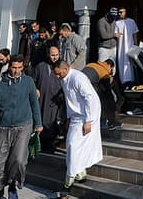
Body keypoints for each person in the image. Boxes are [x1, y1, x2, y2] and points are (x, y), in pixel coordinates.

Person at [0, 55, 42, 199]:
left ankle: (12, 185)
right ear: (9, 67)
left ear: (23, 67)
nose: (16, 71)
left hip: (24, 126)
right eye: (14, 67)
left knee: (19, 160)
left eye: (19, 68)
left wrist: (38, 123)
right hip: (3, 127)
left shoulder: (28, 82)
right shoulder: (0, 86)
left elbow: (34, 104)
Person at [54, 59, 103, 190]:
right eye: (56, 74)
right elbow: (70, 100)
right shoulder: (64, 79)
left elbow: (89, 98)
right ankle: (80, 173)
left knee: (73, 144)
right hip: (76, 115)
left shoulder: (78, 78)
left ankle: (70, 178)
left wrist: (88, 120)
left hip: (87, 113)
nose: (57, 77)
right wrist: (69, 118)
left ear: (66, 69)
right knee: (72, 144)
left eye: (59, 74)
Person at [32, 45, 64, 153]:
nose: (55, 57)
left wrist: (62, 94)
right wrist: (35, 89)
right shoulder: (41, 66)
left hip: (55, 100)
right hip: (42, 99)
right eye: (52, 55)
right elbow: (33, 80)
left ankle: (50, 144)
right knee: (41, 120)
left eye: (57, 55)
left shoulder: (62, 66)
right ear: (48, 55)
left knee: (52, 122)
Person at [81, 59, 122, 130]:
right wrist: (114, 108)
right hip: (88, 84)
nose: (111, 72)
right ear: (110, 66)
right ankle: (111, 123)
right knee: (106, 98)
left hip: (78, 82)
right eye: (112, 69)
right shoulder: (104, 72)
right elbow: (108, 94)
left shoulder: (92, 64)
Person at [113, 7, 139, 85]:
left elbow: (135, 33)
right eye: (119, 12)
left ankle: (131, 81)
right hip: (121, 48)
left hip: (130, 46)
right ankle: (123, 82)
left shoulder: (131, 21)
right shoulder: (117, 23)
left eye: (121, 12)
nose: (119, 14)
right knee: (121, 63)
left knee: (130, 64)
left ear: (125, 12)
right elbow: (115, 34)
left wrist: (136, 45)